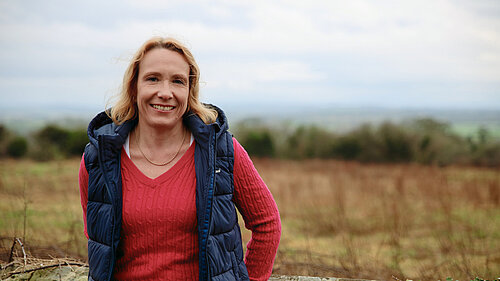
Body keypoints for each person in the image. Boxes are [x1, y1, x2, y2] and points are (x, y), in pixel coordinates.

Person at [78, 37, 281, 281]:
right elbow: (97, 237)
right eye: (152, 79)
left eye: (178, 81)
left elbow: (267, 224)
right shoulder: (101, 157)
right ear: (134, 87)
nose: (165, 93)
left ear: (189, 91)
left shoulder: (222, 152)